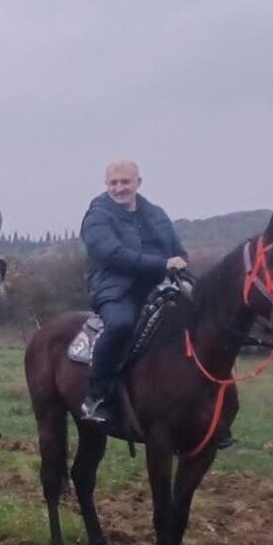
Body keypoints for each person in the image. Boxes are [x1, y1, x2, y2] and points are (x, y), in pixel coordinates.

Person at [79, 159, 189, 426]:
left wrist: (184, 276)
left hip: (160, 287)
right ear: (106, 185)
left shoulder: (156, 215)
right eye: (113, 183)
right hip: (115, 287)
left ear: (138, 183)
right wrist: (163, 264)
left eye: (125, 182)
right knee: (120, 325)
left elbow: (177, 250)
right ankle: (96, 397)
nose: (119, 188)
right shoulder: (96, 217)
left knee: (203, 323)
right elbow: (112, 254)